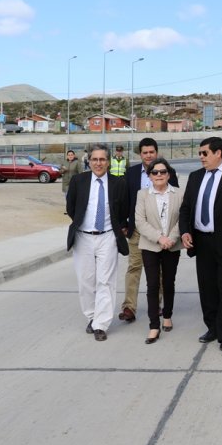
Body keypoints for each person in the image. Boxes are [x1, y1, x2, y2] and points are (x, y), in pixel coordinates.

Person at [179, 137, 222, 351]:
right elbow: (185, 209)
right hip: (202, 242)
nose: (201, 157)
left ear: (218, 153)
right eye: (200, 153)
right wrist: (184, 232)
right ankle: (213, 327)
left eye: (204, 153)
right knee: (207, 288)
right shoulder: (195, 177)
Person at [66, 144, 129, 342]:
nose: (98, 163)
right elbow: (71, 207)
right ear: (89, 161)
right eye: (95, 159)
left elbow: (123, 210)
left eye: (102, 159)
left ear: (108, 162)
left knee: (106, 281)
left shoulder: (119, 183)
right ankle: (92, 317)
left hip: (108, 236)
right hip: (83, 237)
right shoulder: (79, 181)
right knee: (86, 281)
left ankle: (101, 324)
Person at [119, 138, 179, 322]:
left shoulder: (169, 172)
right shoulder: (131, 173)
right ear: (140, 154)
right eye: (145, 152)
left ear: (156, 152)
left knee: (159, 271)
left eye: (151, 152)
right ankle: (129, 307)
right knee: (134, 267)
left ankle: (158, 304)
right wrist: (123, 223)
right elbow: (124, 199)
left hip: (162, 231)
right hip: (137, 230)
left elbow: (175, 199)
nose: (148, 155)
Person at [135, 158, 183, 344]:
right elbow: (140, 221)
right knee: (153, 284)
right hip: (150, 245)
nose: (159, 175)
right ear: (150, 176)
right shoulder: (143, 195)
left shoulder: (179, 193)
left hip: (172, 245)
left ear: (168, 174)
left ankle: (168, 315)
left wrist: (171, 237)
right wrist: (159, 238)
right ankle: (154, 325)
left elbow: (183, 218)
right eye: (155, 172)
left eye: (163, 172)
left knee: (169, 282)